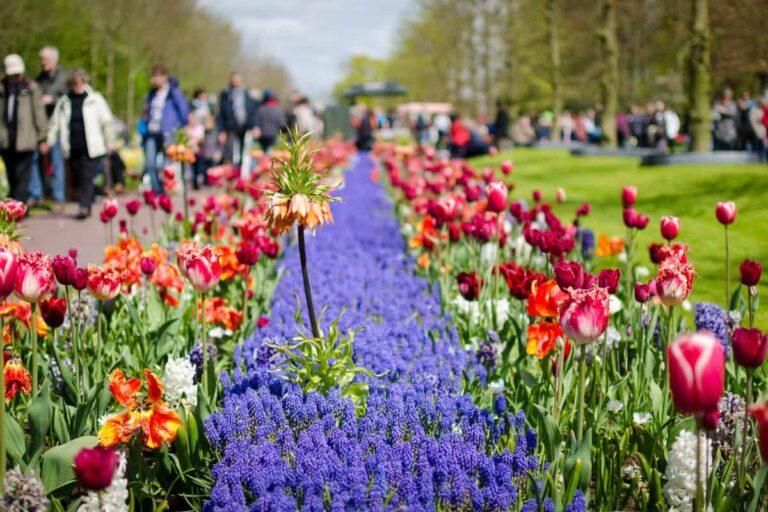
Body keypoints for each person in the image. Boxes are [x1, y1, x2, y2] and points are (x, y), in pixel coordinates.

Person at [45, 69, 113, 219]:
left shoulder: (95, 99)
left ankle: (84, 206)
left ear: (85, 81)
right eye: (75, 82)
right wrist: (49, 141)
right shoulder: (64, 101)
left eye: (81, 81)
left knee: (87, 176)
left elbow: (107, 122)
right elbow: (54, 124)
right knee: (76, 177)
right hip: (72, 146)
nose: (78, 85)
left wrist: (109, 141)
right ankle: (85, 201)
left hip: (91, 147)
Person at [0, 54, 48, 204]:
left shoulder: (31, 88)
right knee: (11, 175)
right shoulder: (2, 89)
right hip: (6, 139)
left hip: (26, 139)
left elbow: (39, 113)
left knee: (23, 175)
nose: (16, 77)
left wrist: (42, 137)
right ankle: (15, 204)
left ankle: (19, 205)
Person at [28, 46, 68, 209]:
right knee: (34, 159)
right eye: (41, 59)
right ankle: (36, 194)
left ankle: (59, 198)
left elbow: (67, 97)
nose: (43, 62)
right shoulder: (39, 79)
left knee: (57, 161)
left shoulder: (63, 78)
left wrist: (52, 99)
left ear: (55, 60)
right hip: (39, 126)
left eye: (45, 59)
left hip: (57, 126)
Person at [141, 64, 189, 194]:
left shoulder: (173, 92)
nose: (153, 80)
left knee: (167, 164)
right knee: (150, 163)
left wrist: (177, 125)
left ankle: (169, 189)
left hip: (168, 132)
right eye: (152, 77)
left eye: (156, 76)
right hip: (152, 132)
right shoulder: (151, 93)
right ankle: (158, 191)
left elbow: (184, 110)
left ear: (164, 77)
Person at [217, 72, 259, 165]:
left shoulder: (246, 94)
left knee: (244, 152)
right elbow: (221, 114)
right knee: (231, 151)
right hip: (231, 126)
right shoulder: (226, 94)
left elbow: (253, 111)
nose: (236, 81)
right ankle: (231, 174)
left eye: (238, 79)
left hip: (245, 126)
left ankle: (241, 174)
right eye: (234, 79)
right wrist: (222, 130)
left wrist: (255, 126)